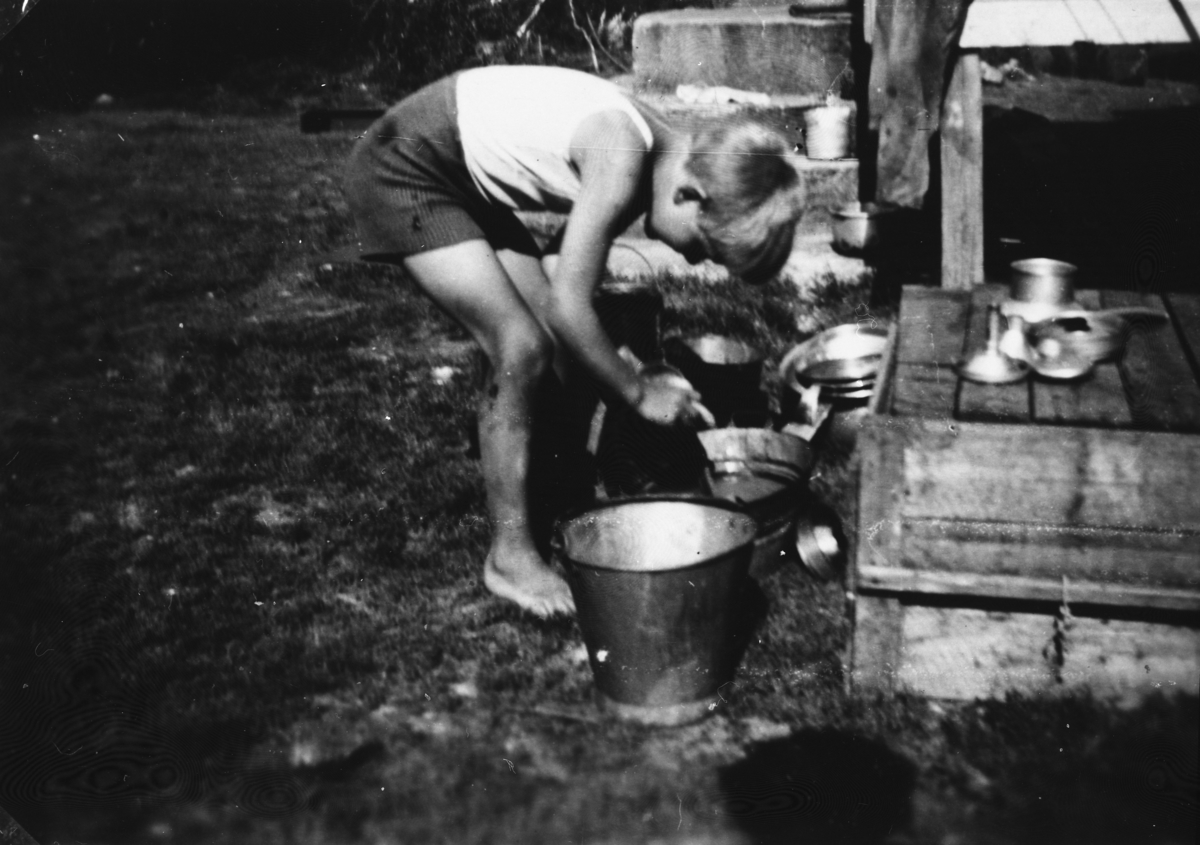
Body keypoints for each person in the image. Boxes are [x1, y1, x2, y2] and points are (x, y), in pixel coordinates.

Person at [343, 65, 804, 617]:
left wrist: (631, 365)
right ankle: (509, 555)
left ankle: (558, 502)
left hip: (459, 178)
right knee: (521, 347)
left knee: (559, 345)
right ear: (691, 195)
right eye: (704, 248)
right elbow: (567, 305)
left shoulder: (666, 151)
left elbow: (562, 279)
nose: (693, 259)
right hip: (406, 165)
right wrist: (636, 393)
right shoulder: (623, 159)